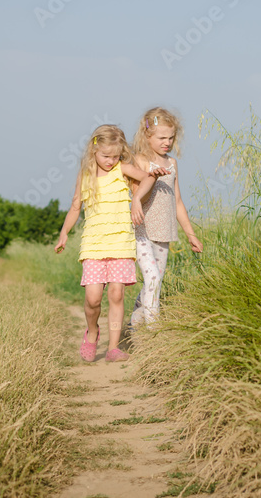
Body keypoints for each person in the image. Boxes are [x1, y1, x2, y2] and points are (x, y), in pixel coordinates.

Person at [55, 124, 162, 362]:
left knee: (116, 294)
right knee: (93, 298)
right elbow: (75, 207)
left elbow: (147, 178)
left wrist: (136, 199)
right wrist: (64, 233)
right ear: (94, 151)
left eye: (115, 156)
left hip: (121, 242)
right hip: (93, 244)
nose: (111, 161)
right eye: (106, 156)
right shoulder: (85, 176)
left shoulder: (122, 169)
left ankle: (113, 348)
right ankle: (92, 332)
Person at [130, 107, 203, 328]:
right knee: (152, 277)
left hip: (164, 231)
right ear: (147, 135)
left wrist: (191, 234)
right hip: (142, 231)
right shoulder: (139, 161)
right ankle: (154, 332)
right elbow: (137, 199)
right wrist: (150, 177)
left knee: (155, 282)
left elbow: (177, 201)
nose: (167, 142)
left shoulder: (172, 164)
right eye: (162, 137)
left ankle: (135, 321)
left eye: (171, 137)